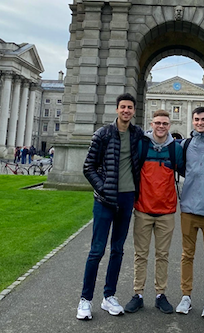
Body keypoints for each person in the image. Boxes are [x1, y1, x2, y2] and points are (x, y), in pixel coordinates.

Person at [77, 93, 144, 321]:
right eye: (123, 107)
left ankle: (109, 296)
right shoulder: (103, 134)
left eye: (130, 107)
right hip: (105, 201)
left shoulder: (137, 135)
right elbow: (88, 167)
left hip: (126, 200)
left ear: (134, 111)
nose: (126, 111)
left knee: (118, 250)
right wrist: (103, 188)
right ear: (117, 109)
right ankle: (85, 300)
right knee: (97, 251)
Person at [124, 109, 184, 315]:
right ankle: (138, 294)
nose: (161, 126)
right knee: (140, 255)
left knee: (163, 255)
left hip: (166, 211)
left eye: (165, 123)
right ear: (151, 123)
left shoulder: (176, 149)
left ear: (169, 125)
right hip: (143, 209)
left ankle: (160, 294)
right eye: (158, 123)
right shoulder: (141, 144)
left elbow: (189, 171)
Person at [175, 107, 204, 318]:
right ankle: (186, 296)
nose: (200, 123)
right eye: (197, 119)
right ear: (192, 121)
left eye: (203, 119)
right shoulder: (185, 145)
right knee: (187, 255)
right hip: (188, 209)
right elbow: (181, 168)